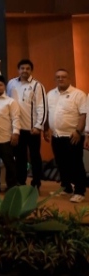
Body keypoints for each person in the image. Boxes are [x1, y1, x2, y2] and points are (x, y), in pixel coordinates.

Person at [44, 69, 87, 203]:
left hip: (73, 135)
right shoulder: (50, 94)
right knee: (61, 163)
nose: (60, 79)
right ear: (55, 79)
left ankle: (80, 191)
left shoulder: (78, 94)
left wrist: (78, 131)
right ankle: (66, 188)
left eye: (63, 77)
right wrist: (46, 129)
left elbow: (83, 114)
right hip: (56, 135)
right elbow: (47, 113)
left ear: (69, 79)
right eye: (58, 77)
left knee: (76, 164)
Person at [6, 59, 47, 190]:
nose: (25, 71)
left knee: (35, 157)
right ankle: (21, 182)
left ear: (31, 70)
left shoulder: (37, 85)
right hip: (17, 129)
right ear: (18, 70)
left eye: (27, 68)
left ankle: (36, 183)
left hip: (32, 129)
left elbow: (42, 107)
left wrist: (38, 126)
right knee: (20, 157)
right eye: (22, 68)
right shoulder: (11, 83)